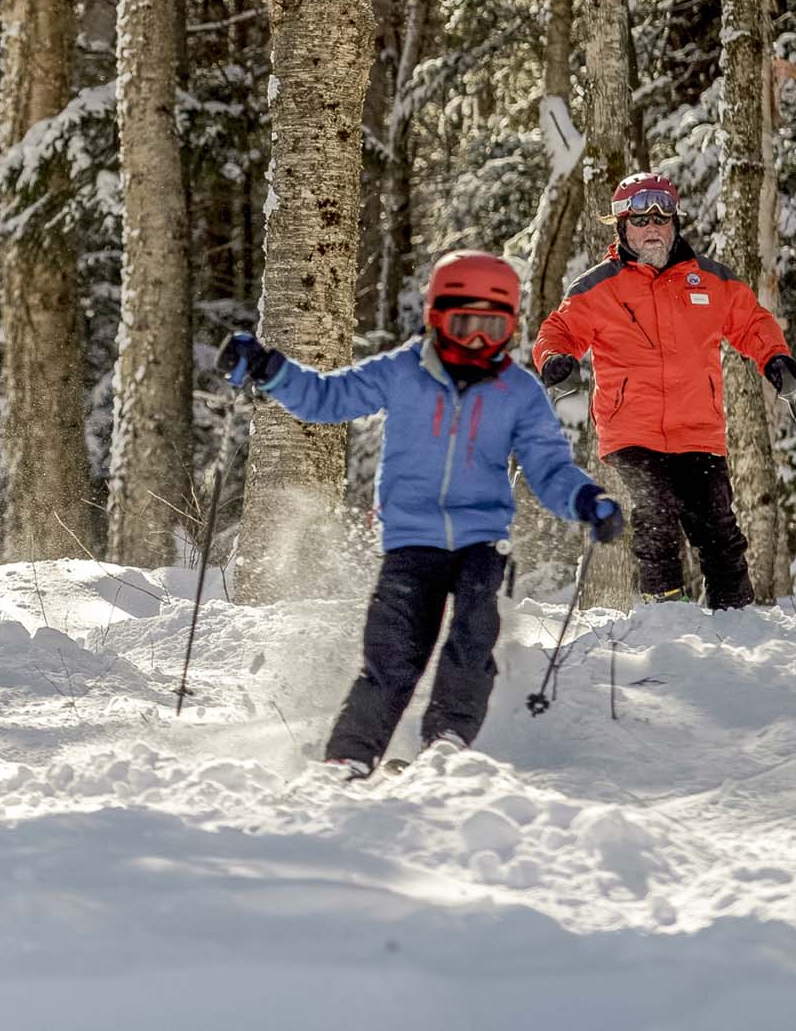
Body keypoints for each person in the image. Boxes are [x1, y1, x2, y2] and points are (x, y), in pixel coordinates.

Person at [222, 250, 625, 780]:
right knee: (393, 653)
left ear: (510, 327)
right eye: (464, 325)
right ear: (437, 317)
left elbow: (549, 466)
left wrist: (584, 499)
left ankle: (447, 741)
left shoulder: (518, 392)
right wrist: (271, 371)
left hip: (483, 541)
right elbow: (327, 397)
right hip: (410, 540)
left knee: (474, 634)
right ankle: (350, 756)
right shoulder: (402, 372)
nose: (477, 342)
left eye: (492, 328)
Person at [532, 170, 796, 610]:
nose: (652, 229)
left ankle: (737, 621)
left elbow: (754, 323)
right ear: (622, 227)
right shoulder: (598, 287)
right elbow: (557, 330)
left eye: (662, 218)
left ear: (675, 222)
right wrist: (556, 360)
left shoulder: (711, 281)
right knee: (655, 514)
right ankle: (667, 617)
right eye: (641, 221)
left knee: (719, 528)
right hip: (631, 432)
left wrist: (775, 357)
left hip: (698, 429)